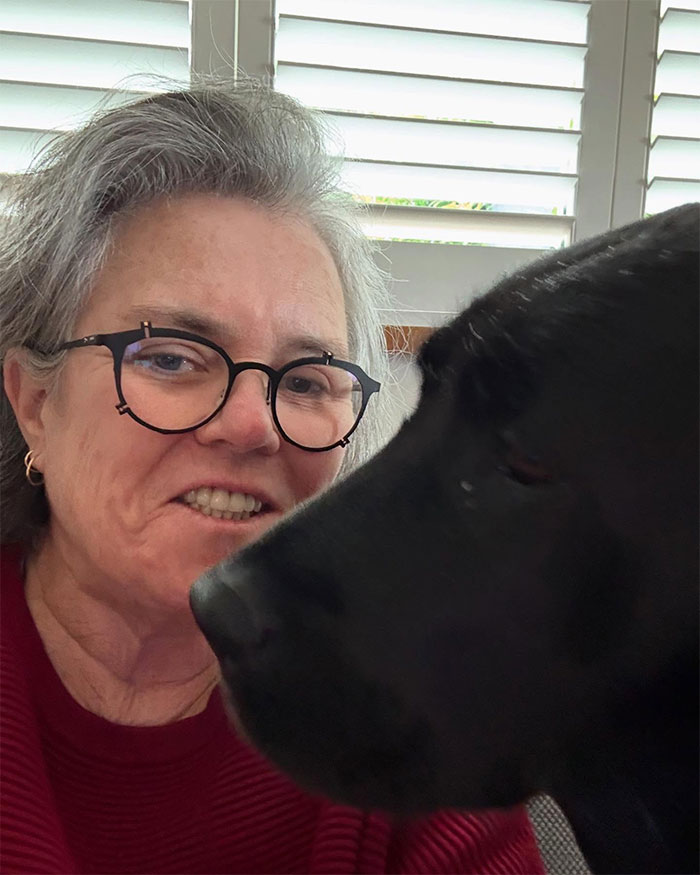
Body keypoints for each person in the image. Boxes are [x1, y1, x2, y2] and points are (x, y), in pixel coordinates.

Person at [0, 78, 544, 874]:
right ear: (37, 404)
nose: (254, 424)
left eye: (305, 380)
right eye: (173, 357)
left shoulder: (410, 707)